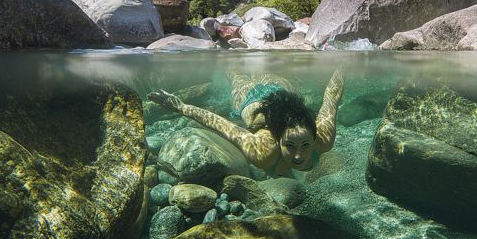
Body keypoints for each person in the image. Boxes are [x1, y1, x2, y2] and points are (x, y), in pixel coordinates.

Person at [147, 69, 344, 177]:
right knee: (235, 74)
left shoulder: (323, 137)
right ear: (278, 140)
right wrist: (181, 107)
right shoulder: (263, 152)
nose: (299, 155)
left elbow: (332, 97)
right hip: (250, 99)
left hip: (279, 91)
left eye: (305, 144)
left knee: (255, 71)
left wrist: (344, 65)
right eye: (290, 146)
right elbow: (222, 125)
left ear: (314, 134)